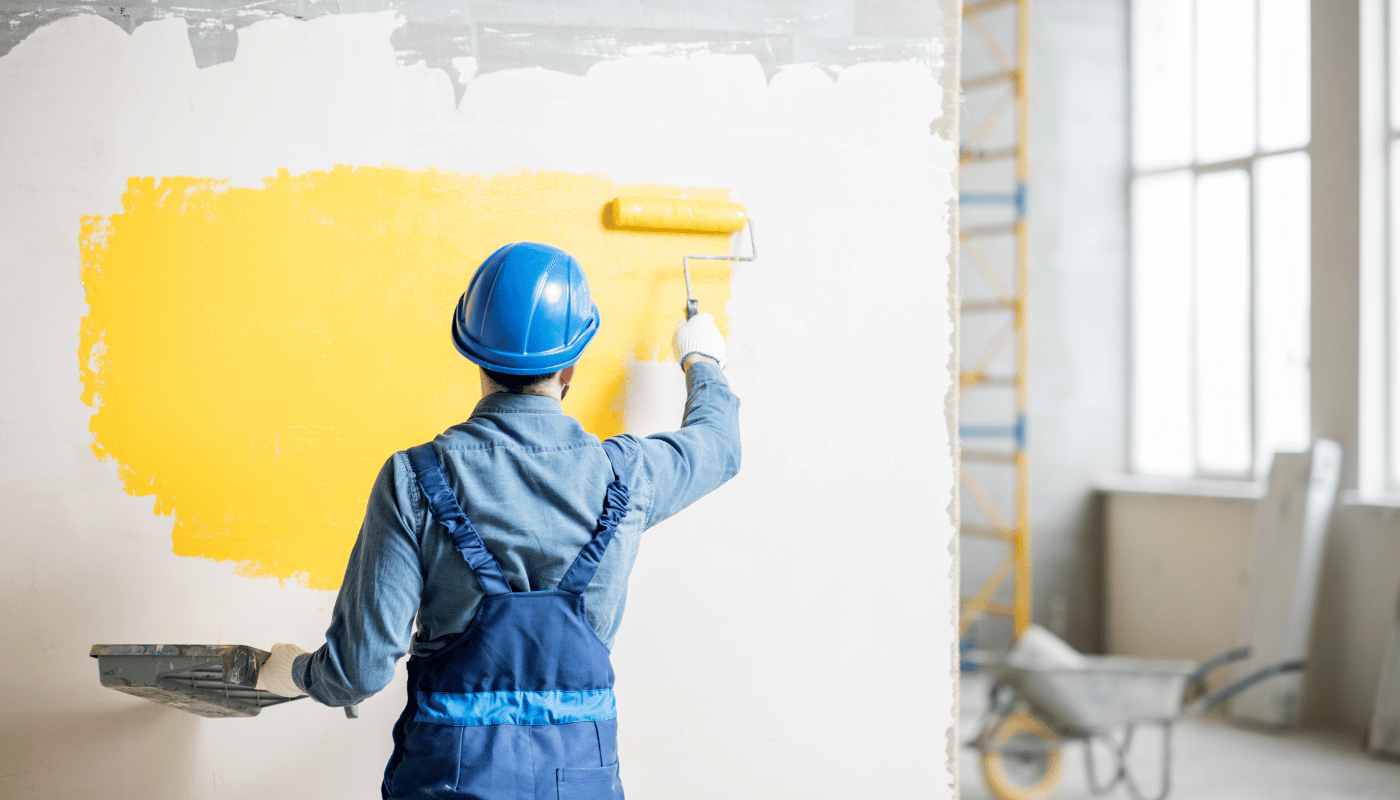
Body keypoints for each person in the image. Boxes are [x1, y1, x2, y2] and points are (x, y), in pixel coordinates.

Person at [255, 241, 741, 800]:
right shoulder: (629, 477)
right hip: (579, 783)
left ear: (473, 353)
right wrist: (702, 358)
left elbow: (357, 673)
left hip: (448, 781)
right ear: (572, 365)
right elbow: (719, 446)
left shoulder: (415, 478)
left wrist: (290, 671)